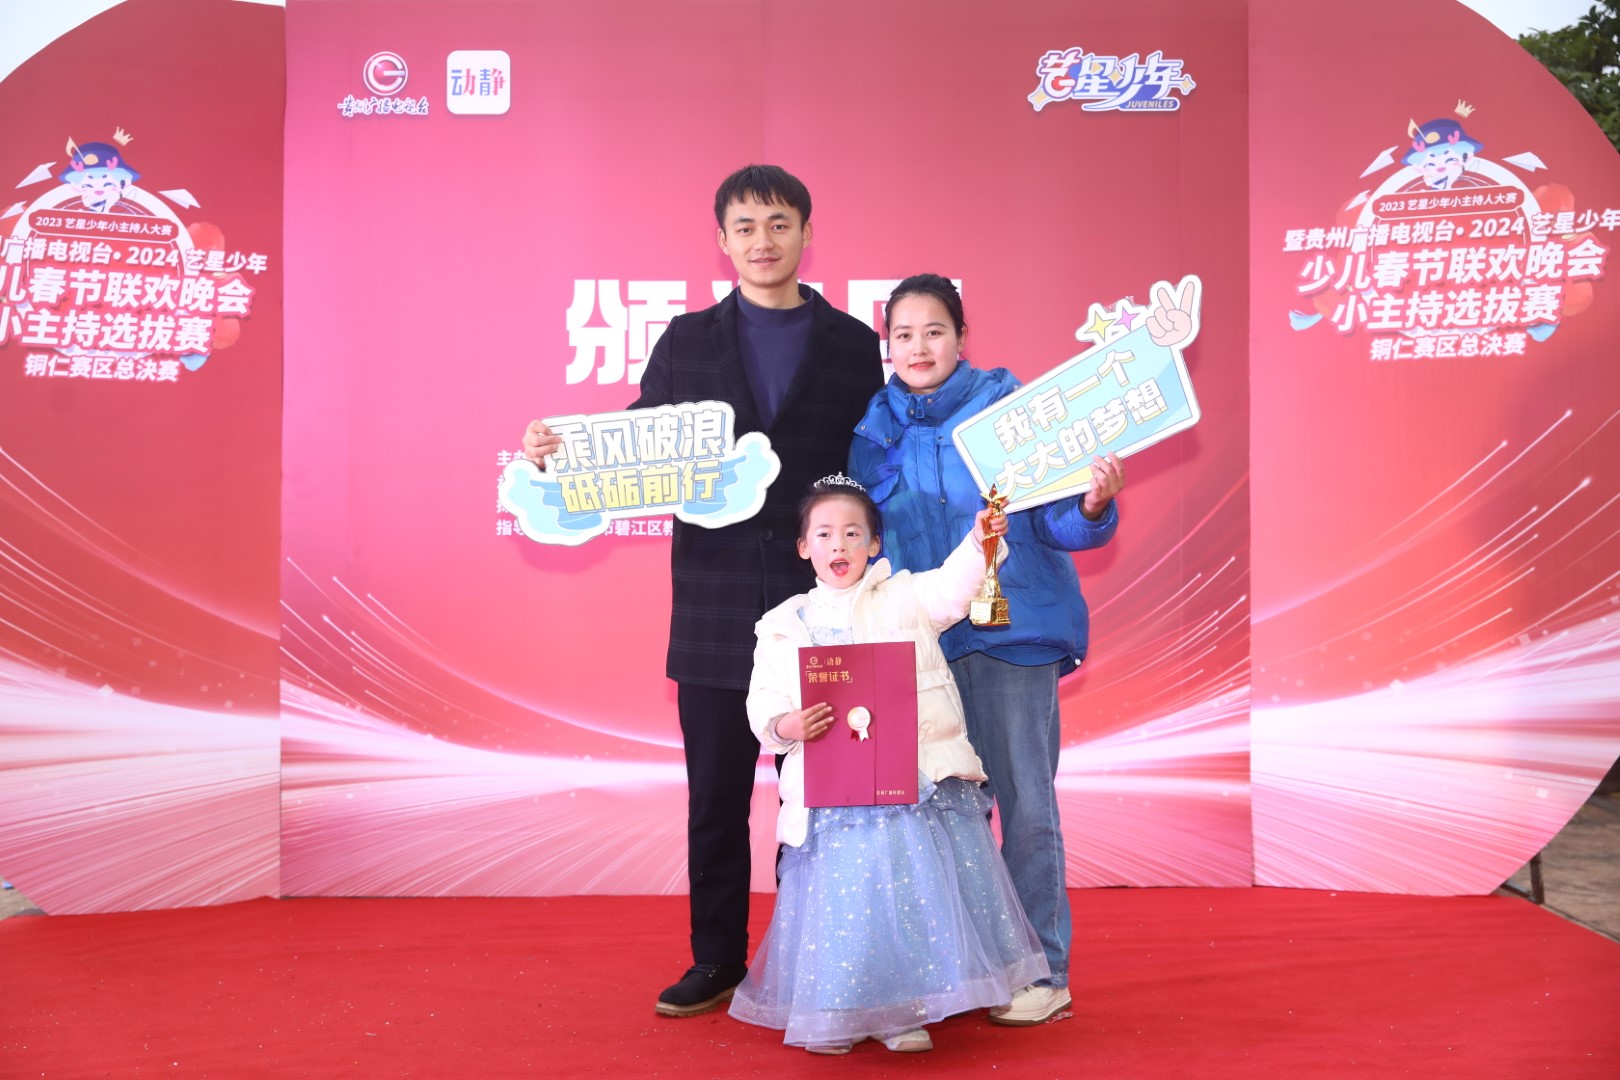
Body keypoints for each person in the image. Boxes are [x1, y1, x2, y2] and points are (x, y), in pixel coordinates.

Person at [522, 165, 882, 1017]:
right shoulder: (686, 341)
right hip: (714, 605)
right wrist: (558, 453)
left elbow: (875, 462)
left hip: (822, 606)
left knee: (824, 797)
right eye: (746, 226)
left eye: (780, 223)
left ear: (806, 234)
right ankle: (716, 958)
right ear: (722, 240)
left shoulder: (852, 344)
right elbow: (635, 445)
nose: (764, 240)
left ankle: (815, 958)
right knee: (715, 799)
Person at [847, 274, 1133, 1026]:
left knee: (1027, 807)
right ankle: (970, 970)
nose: (919, 347)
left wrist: (1093, 504)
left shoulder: (1012, 407)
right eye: (903, 335)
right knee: (945, 812)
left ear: (961, 336)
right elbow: (864, 538)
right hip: (923, 644)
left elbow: (1057, 521)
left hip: (1014, 634)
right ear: (887, 345)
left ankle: (1043, 970)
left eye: (934, 331)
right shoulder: (871, 430)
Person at [729, 476, 1047, 1054]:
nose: (839, 545)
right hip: (833, 799)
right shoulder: (781, 624)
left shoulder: (904, 597)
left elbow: (954, 587)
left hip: (911, 786)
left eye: (854, 533)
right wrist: (786, 725)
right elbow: (763, 703)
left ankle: (904, 1013)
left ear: (875, 543)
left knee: (908, 898)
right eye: (824, 534)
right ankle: (840, 1012)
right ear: (803, 547)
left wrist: (981, 539)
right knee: (848, 907)